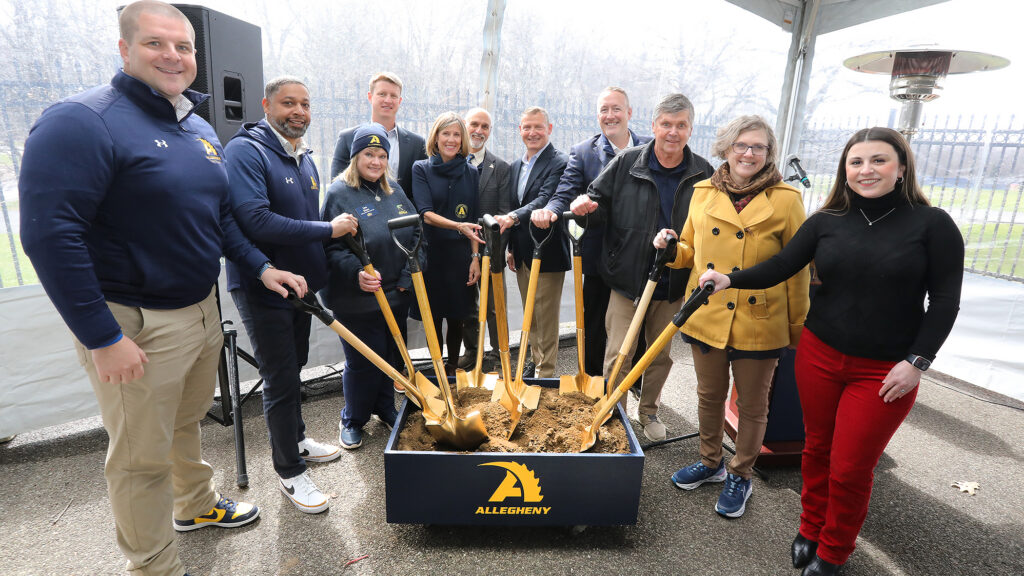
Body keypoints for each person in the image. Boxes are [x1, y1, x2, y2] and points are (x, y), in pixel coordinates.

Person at [18, 2, 305, 574]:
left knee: (183, 421)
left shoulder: (195, 126)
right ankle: (154, 564)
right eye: (155, 44)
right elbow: (50, 237)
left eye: (183, 46)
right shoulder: (80, 120)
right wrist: (102, 337)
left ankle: (194, 506)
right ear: (124, 49)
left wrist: (259, 266)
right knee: (139, 457)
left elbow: (218, 216)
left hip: (199, 308)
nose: (173, 56)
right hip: (134, 320)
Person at [698, 127, 964, 575]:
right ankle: (810, 526)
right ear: (845, 169)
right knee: (816, 450)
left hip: (883, 371)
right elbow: (783, 265)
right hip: (820, 355)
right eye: (856, 162)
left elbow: (945, 300)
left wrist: (917, 361)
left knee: (850, 466)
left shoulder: (932, 224)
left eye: (879, 160)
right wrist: (730, 279)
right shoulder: (827, 219)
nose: (867, 170)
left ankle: (835, 550)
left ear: (901, 168)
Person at [654, 115, 810, 518]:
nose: (748, 153)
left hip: (759, 317)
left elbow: (797, 267)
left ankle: (741, 472)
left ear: (768, 154)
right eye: (741, 145)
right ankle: (711, 463)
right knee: (708, 395)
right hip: (707, 311)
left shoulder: (787, 199)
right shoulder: (703, 191)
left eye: (758, 147)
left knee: (753, 405)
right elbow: (689, 248)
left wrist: (796, 328)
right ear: (725, 148)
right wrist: (671, 248)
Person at [225, 76, 356, 514]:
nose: (298, 111)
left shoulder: (305, 158)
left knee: (295, 366)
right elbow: (256, 221)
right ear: (266, 104)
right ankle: (290, 472)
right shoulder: (247, 151)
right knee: (280, 379)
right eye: (287, 103)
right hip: (264, 287)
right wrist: (328, 229)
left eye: (304, 103)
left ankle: (296, 437)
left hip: (300, 285)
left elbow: (302, 218)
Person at [571, 93, 714, 441]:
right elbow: (598, 199)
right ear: (653, 126)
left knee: (660, 355)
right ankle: (612, 409)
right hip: (628, 278)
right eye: (666, 124)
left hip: (673, 280)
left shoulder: (703, 173)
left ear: (690, 129)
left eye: (681, 125)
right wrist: (588, 208)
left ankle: (648, 411)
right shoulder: (627, 162)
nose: (672, 132)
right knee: (619, 350)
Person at [533, 87, 651, 377]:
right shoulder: (584, 152)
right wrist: (552, 209)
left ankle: (632, 385)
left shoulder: (651, 148)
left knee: (639, 326)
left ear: (629, 113)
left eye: (616, 109)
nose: (610, 116)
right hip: (600, 254)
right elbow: (565, 192)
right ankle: (592, 383)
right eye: (604, 110)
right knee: (594, 323)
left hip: (639, 254)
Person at [323, 123, 418, 450]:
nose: (376, 161)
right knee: (363, 361)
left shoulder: (395, 189)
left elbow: (416, 231)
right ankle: (352, 418)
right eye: (368, 154)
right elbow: (330, 247)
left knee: (391, 356)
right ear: (355, 157)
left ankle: (383, 408)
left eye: (381, 155)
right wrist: (356, 273)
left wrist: (407, 278)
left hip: (395, 294)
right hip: (357, 299)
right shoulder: (339, 194)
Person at [494, 107, 570, 378]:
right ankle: (537, 361)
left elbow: (545, 199)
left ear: (549, 129)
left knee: (545, 317)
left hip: (547, 250)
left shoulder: (560, 161)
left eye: (538, 127)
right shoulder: (516, 166)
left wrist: (512, 217)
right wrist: (512, 248)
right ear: (520, 130)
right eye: (527, 127)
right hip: (524, 252)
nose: (532, 133)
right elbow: (517, 201)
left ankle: (546, 373)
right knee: (531, 314)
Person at [412, 112, 483, 371]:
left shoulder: (471, 172)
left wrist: (475, 257)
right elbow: (425, 213)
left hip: (460, 255)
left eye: (456, 134)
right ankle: (437, 367)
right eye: (446, 134)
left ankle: (452, 367)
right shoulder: (421, 169)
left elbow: (474, 218)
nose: (451, 140)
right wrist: (457, 225)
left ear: (462, 139)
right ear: (436, 137)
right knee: (434, 317)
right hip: (432, 254)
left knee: (457, 317)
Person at [459, 107, 512, 370]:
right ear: (464, 126)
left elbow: (504, 212)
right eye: (474, 124)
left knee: (493, 305)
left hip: (491, 247)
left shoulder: (500, 167)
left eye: (485, 126)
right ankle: (472, 350)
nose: (479, 131)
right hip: (459, 247)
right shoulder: (451, 161)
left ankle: (497, 353)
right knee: (467, 304)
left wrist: (497, 250)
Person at [330, 72, 427, 194]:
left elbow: (420, 190)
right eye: (382, 94)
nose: (388, 100)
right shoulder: (348, 137)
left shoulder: (417, 144)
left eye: (393, 96)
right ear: (370, 97)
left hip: (405, 212)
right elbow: (337, 186)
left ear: (400, 101)